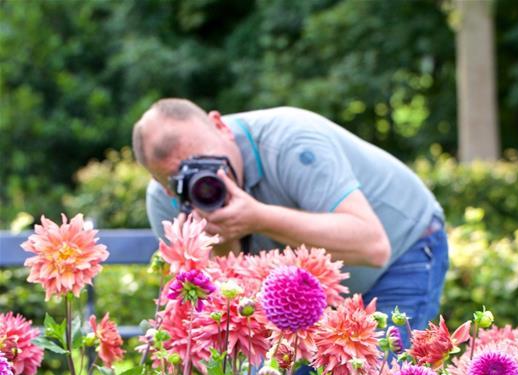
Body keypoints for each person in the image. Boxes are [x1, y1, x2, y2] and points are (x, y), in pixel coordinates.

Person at [132, 98, 449, 350]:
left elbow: (373, 246)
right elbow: (227, 305)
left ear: (221, 126)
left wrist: (259, 217)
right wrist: (221, 236)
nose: (207, 182)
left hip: (403, 248)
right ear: (160, 183)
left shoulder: (291, 142)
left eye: (209, 163)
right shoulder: (166, 202)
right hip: (302, 300)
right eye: (180, 181)